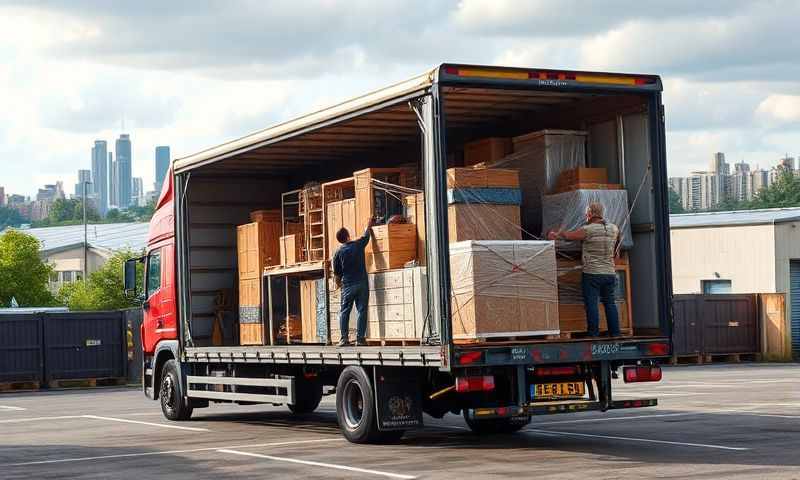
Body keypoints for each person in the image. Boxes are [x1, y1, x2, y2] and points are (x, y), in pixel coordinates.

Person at [548, 202, 621, 337]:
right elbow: (617, 253)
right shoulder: (614, 229)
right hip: (610, 273)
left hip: (592, 274)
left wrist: (556, 234)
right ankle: (615, 333)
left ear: (590, 213)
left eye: (587, 212)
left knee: (591, 304)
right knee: (610, 303)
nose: (585, 215)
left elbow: (570, 236)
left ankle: (593, 333)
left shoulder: (589, 230)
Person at [332, 217, 376, 346]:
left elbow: (337, 274)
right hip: (362, 283)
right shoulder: (358, 245)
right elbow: (366, 236)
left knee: (345, 311)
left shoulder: (338, 253)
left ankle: (344, 339)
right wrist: (369, 224)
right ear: (348, 236)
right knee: (361, 310)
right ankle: (360, 339)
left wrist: (339, 285)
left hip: (347, 286)